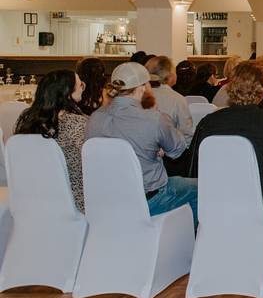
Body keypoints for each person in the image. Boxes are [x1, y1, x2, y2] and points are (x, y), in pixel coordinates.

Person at [186, 61, 263, 221]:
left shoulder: (209, 121)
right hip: (261, 200)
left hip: (216, 199)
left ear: (229, 87)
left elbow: (197, 166)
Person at [85, 62, 197, 227]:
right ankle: (182, 241)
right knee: (203, 189)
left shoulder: (94, 118)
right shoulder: (154, 119)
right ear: (143, 87)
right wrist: (157, 115)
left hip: (108, 198)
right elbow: (178, 150)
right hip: (150, 198)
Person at [14, 70, 87, 212]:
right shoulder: (78, 123)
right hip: (74, 201)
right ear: (67, 92)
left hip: (32, 199)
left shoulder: (28, 120)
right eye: (80, 85)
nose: (82, 88)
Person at [145, 55, 193, 140]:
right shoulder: (177, 99)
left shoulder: (137, 95)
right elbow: (186, 134)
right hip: (169, 149)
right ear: (170, 75)